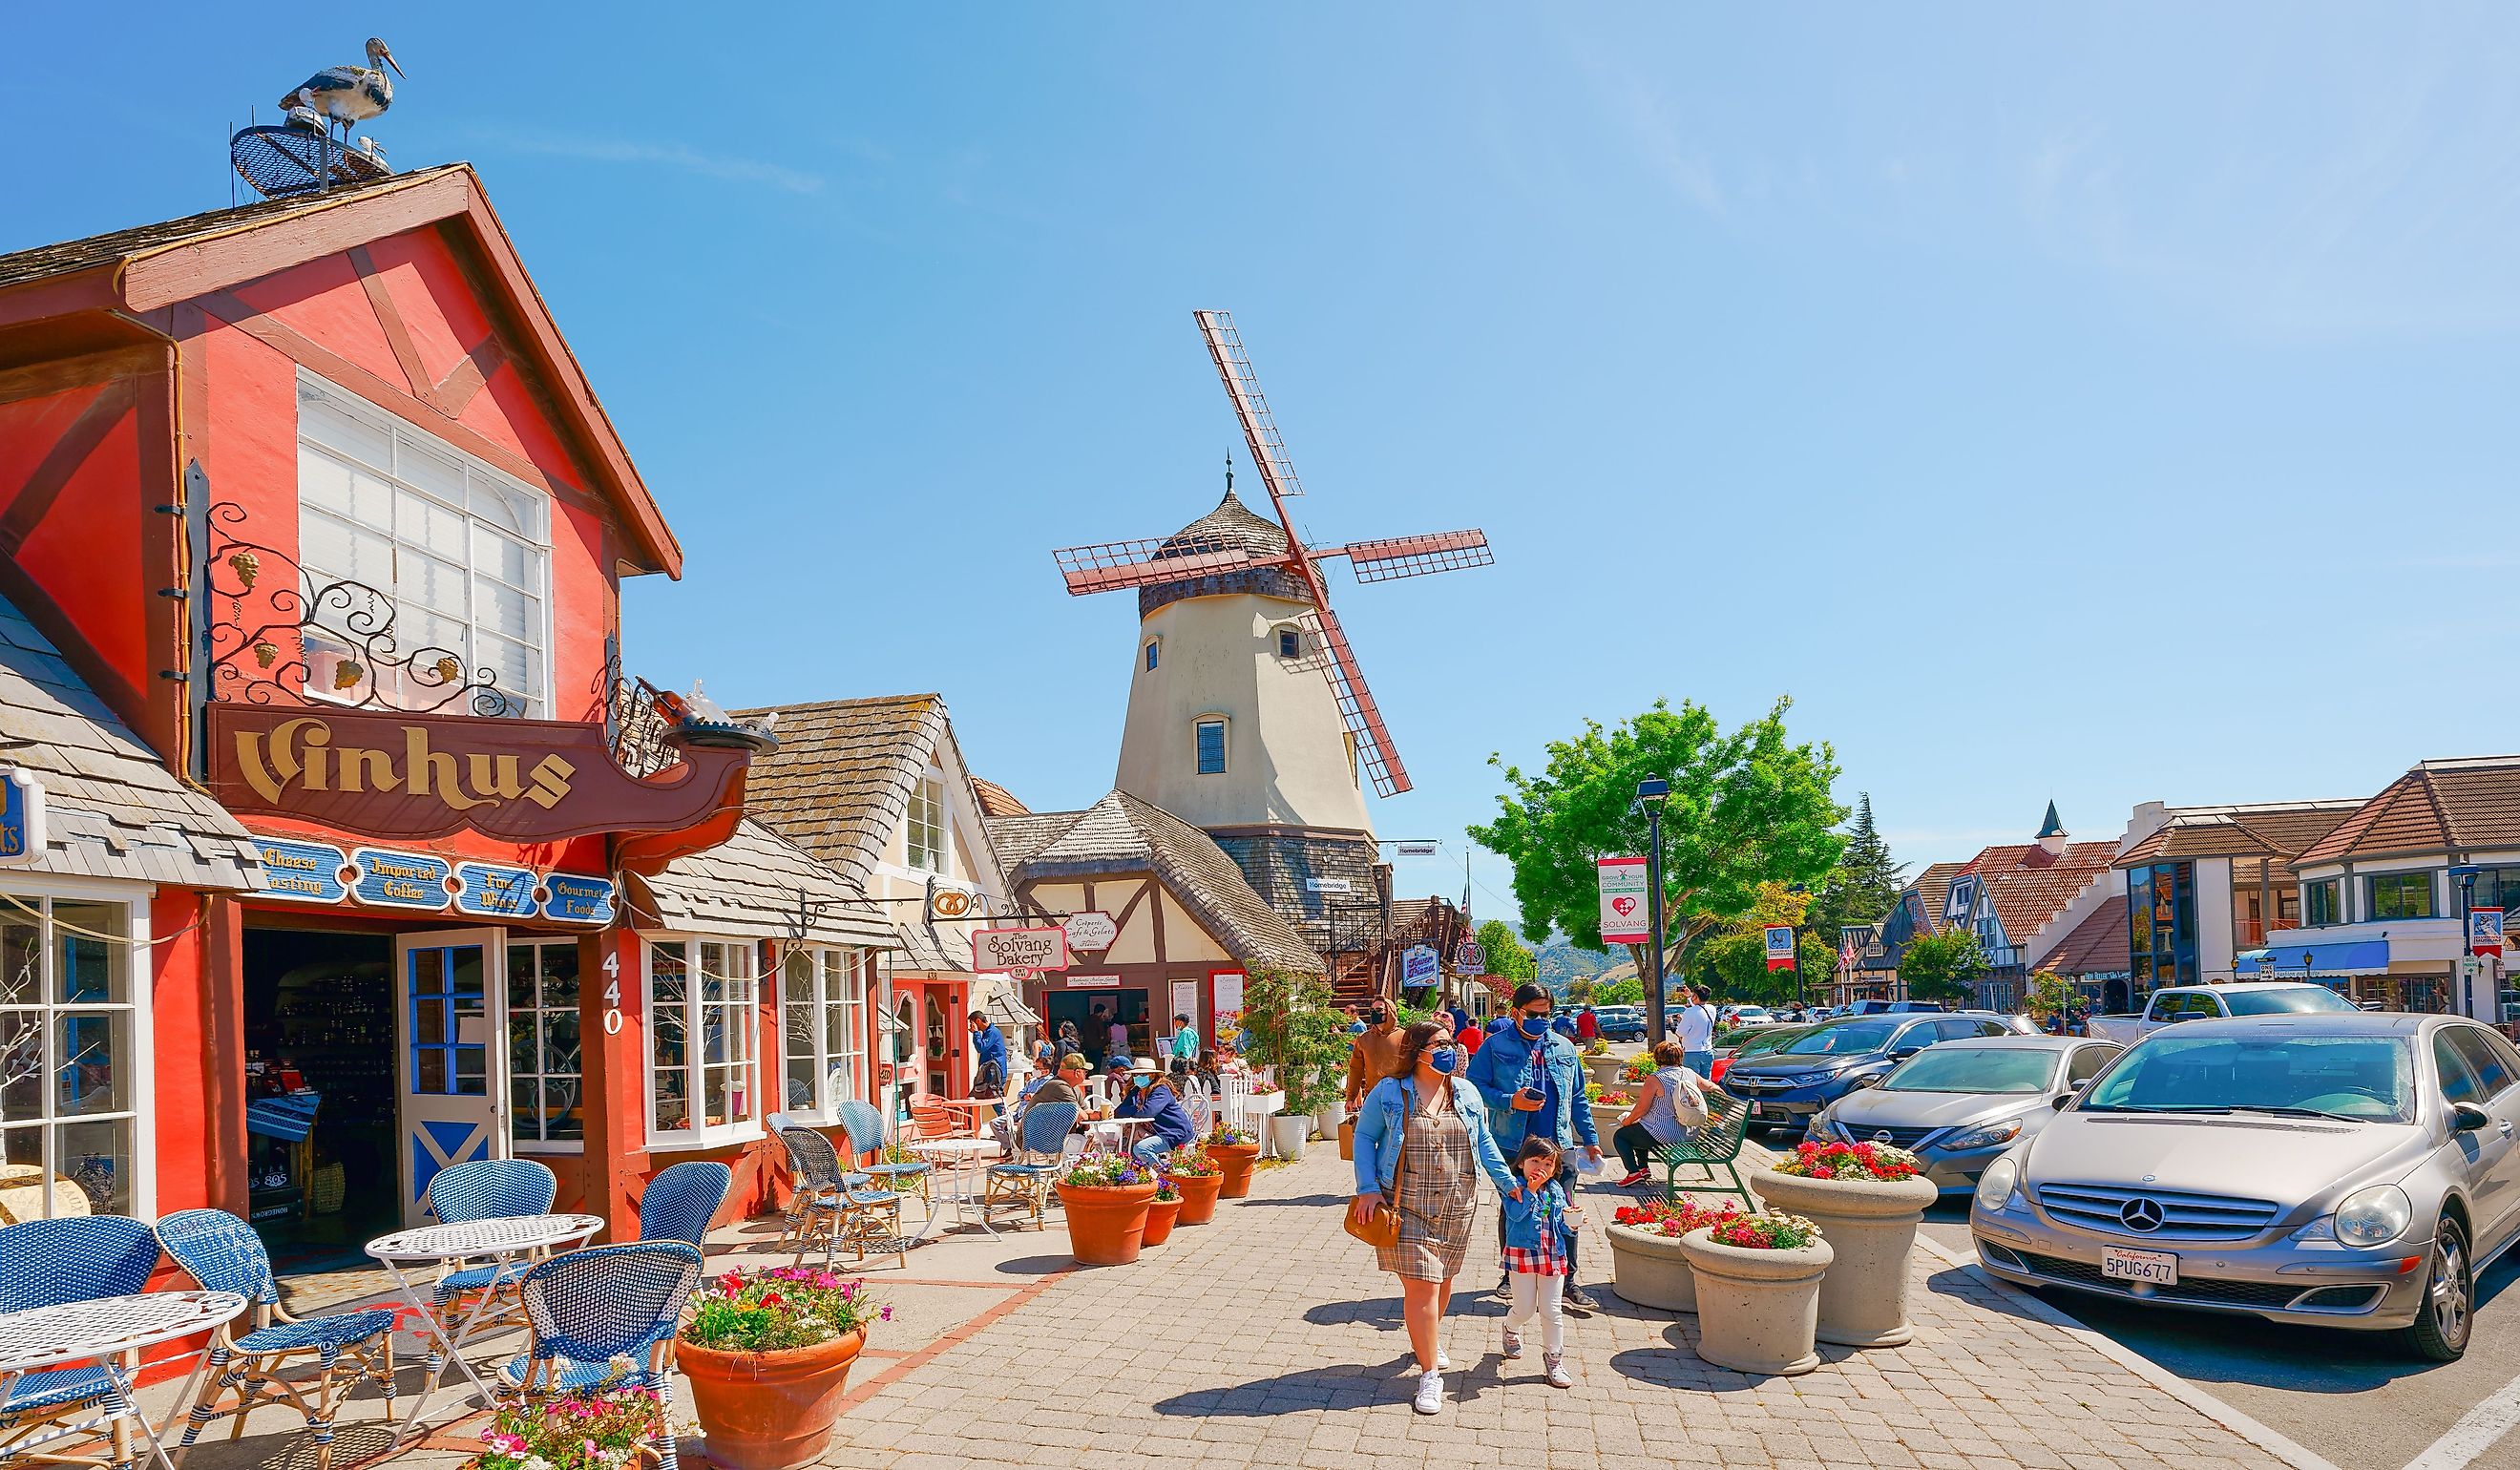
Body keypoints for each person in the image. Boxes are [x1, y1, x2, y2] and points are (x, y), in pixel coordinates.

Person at [1350, 1020, 1517, 1417]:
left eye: (1451, 1042)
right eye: (1440, 1043)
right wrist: (1367, 1187)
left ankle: (1427, 1337)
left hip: (1459, 1203)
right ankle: (1429, 1375)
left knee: (1444, 1282)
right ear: (1418, 1050)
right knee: (1423, 1286)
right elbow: (1364, 1136)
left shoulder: (1467, 1093)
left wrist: (1509, 1183)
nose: (1449, 1049)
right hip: (1406, 1205)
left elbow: (1485, 1141)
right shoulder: (1391, 1091)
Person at [1462, 983, 1602, 1312]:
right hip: (1512, 1146)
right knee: (1514, 1209)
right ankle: (1511, 1275)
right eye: (1534, 1014)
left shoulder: (1565, 1047)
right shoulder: (1495, 1046)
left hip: (1559, 1146)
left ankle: (1568, 1282)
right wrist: (1510, 1100)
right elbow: (1473, 1088)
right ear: (1516, 1013)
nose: (1542, 1020)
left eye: (1546, 1014)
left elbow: (1578, 1097)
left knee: (1566, 1211)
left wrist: (1592, 1139)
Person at [1500, 1136, 1583, 1388]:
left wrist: (1573, 1225)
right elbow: (1514, 1215)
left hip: (1553, 1255)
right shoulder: (1514, 1187)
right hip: (1522, 1254)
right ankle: (1510, 1327)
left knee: (1551, 1310)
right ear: (1522, 1163)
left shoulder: (1557, 1190)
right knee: (1524, 1309)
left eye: (1548, 1163)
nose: (1541, 1168)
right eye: (1535, 1161)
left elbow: (1561, 1225)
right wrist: (1531, 1192)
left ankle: (1554, 1360)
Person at [1610, 1040, 1722, 1187]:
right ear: (1679, 1057)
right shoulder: (1689, 1073)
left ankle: (1633, 1172)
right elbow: (1710, 1086)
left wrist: (1626, 1121)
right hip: (1686, 1132)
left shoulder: (1655, 1079)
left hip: (1663, 1134)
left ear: (1658, 1057)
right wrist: (1724, 1099)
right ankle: (1643, 1169)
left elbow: (1642, 1109)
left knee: (1621, 1136)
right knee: (1638, 1127)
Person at [1117, 1067, 1197, 1167]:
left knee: (1141, 1148)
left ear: (1153, 1075)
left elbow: (1148, 1112)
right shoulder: (1136, 1091)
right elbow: (1119, 1111)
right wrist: (1136, 1108)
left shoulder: (1161, 1090)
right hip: (1156, 1132)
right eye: (1135, 1075)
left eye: (1142, 1075)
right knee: (1128, 1148)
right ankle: (1143, 1177)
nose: (1138, 1078)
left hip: (1174, 1133)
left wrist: (1133, 1110)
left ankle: (1163, 1174)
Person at [1343, 999, 1403, 1118]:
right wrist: (1351, 1097)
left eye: (1379, 1010)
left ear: (1390, 1012)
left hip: (1399, 1098)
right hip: (1373, 1097)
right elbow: (1355, 1070)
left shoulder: (1404, 1037)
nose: (1375, 1013)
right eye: (1372, 1010)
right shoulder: (1363, 1039)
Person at [1674, 987, 1718, 1077]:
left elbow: (1680, 1032)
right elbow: (1700, 1009)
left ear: (1696, 996)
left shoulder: (1689, 1012)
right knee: (1705, 1082)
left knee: (1691, 1082)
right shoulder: (1712, 1009)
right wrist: (1690, 997)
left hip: (1691, 1051)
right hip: (1707, 1050)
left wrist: (1680, 1022)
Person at [968, 1012, 1009, 1098]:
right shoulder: (987, 1033)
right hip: (989, 1073)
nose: (971, 1026)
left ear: (978, 1021)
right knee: (979, 1096)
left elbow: (981, 1047)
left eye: (972, 1023)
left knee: (996, 1101)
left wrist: (976, 1033)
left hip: (996, 1074)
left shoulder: (992, 1032)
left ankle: (1005, 1112)